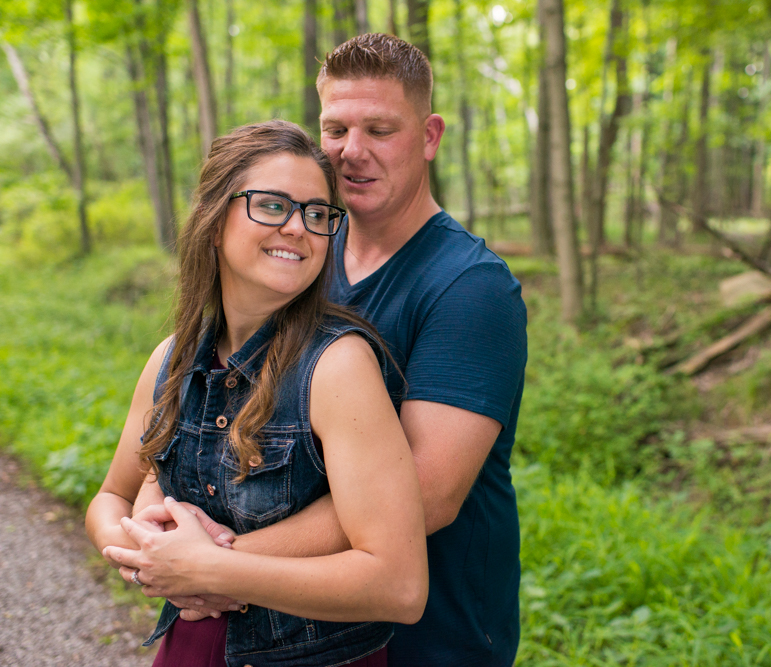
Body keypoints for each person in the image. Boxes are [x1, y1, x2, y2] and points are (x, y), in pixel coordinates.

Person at [147, 33, 527, 666]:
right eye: (335, 128)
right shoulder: (304, 252)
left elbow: (425, 495)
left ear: (429, 136)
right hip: (292, 627)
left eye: (380, 129)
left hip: (431, 634)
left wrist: (216, 561)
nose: (353, 152)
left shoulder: (469, 288)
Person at [85, 119, 428, 667]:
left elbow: (399, 585)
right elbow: (111, 498)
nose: (298, 228)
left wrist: (213, 570)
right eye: (272, 205)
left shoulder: (337, 367)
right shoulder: (171, 359)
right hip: (188, 648)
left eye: (317, 214)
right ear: (214, 222)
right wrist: (140, 553)